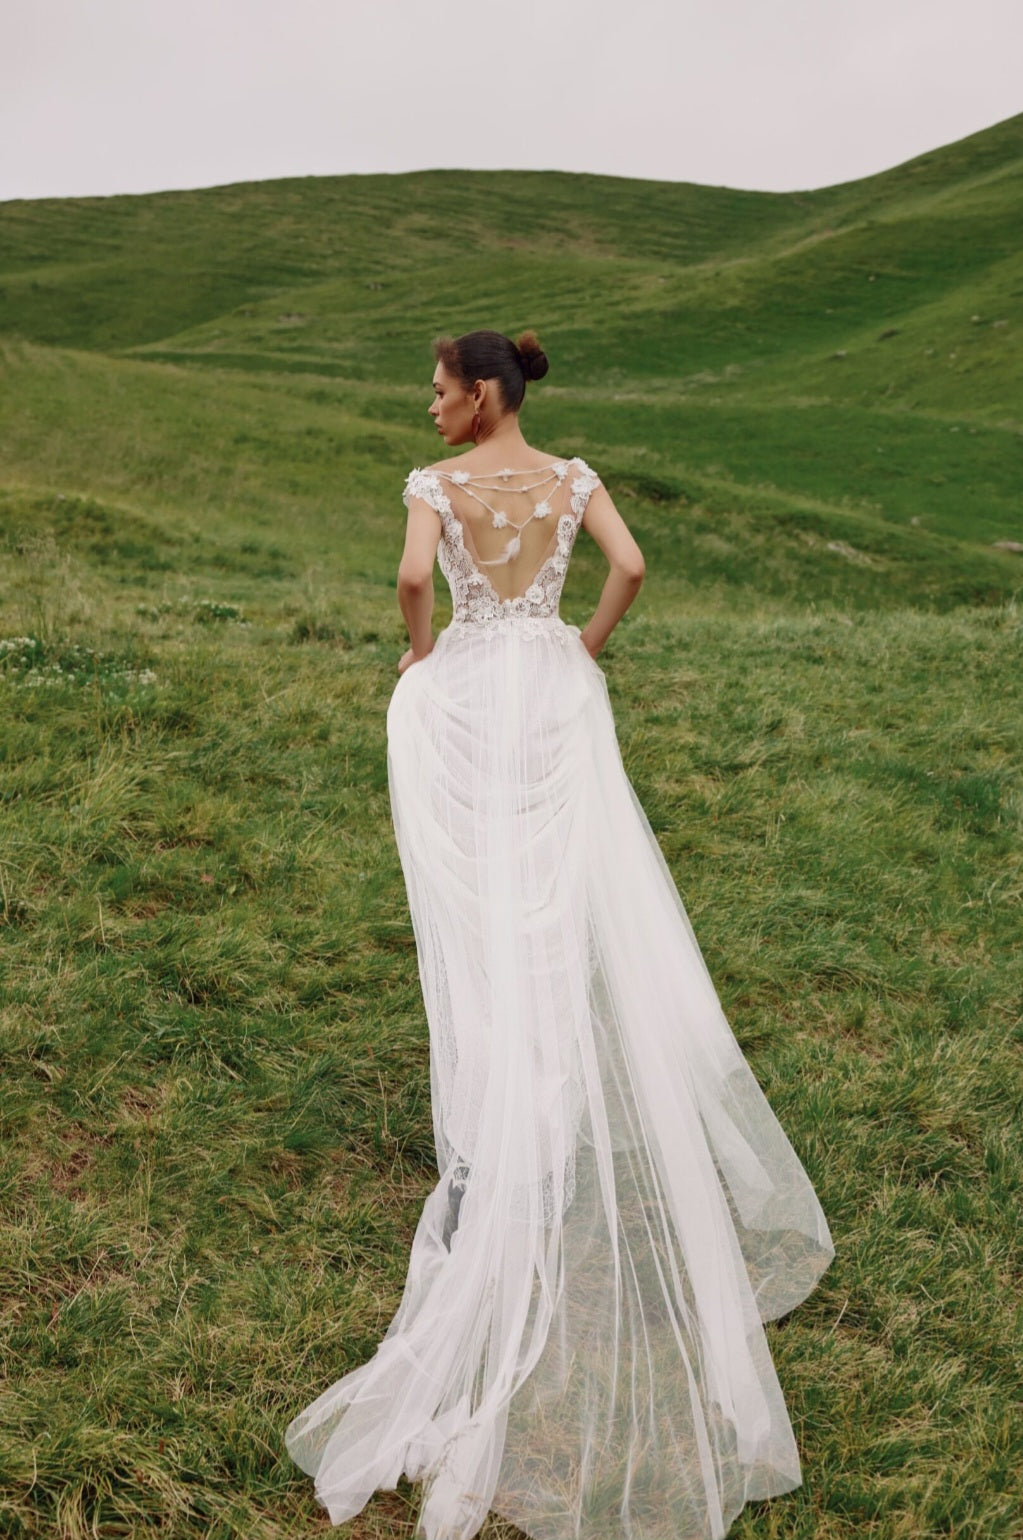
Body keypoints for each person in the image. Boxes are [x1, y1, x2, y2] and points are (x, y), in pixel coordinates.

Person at [284, 329, 835, 1540]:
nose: (426, 403)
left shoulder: (439, 487)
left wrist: (423, 659)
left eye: (436, 385)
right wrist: (580, 644)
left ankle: (502, 1101)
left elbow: (416, 582)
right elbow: (631, 568)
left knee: (478, 899)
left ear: (480, 394)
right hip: (552, 688)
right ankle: (546, 1079)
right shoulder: (574, 478)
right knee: (562, 894)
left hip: (473, 690)